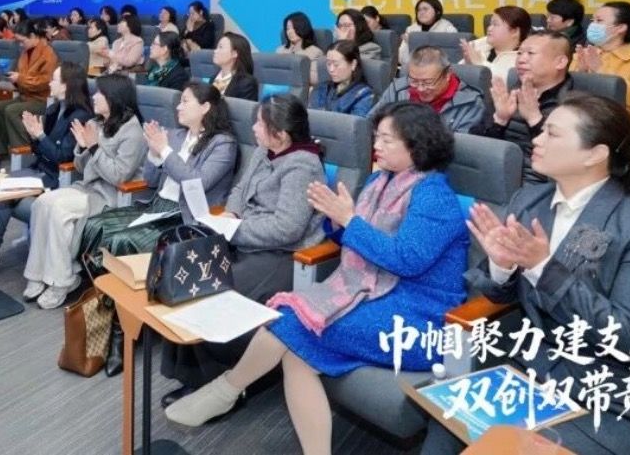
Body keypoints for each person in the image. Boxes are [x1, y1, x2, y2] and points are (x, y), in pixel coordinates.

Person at [167, 103, 467, 455]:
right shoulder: (380, 181)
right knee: (298, 354)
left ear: (417, 146)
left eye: (387, 140)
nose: (377, 146)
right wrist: (339, 223)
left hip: (418, 316)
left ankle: (226, 390)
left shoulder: (434, 196)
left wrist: (351, 221)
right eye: (377, 137)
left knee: (289, 323)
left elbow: (407, 259)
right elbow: (356, 241)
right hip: (373, 294)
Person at [423, 94, 630, 454]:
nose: (536, 139)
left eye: (552, 134)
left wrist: (542, 268)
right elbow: (504, 294)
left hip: (616, 398)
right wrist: (503, 266)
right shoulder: (530, 202)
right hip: (539, 372)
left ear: (594, 154)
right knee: (445, 423)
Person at [159, 94, 327, 401]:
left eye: (260, 124)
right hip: (246, 236)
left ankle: (229, 381)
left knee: (216, 290)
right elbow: (239, 188)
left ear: (281, 134)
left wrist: (235, 231)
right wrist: (231, 214)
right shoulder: (265, 151)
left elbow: (287, 229)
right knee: (192, 273)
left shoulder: (303, 165)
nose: (254, 129)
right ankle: (193, 374)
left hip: (283, 254)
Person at [77, 82, 238, 277]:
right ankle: (96, 284)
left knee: (122, 240)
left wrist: (165, 151)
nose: (178, 107)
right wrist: (154, 155)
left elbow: (196, 183)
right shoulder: (176, 136)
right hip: (157, 206)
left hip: (182, 214)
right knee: (95, 225)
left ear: (205, 107)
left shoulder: (223, 144)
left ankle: (118, 292)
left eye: (185, 102)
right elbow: (151, 181)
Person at [23, 73, 147, 309]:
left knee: (59, 211)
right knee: (43, 202)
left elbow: (119, 176)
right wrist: (81, 147)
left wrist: (93, 147)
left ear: (114, 97)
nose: (94, 97)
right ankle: (37, 274)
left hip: (112, 195)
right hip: (88, 187)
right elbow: (81, 167)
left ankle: (63, 281)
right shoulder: (96, 123)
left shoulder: (132, 132)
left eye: (100, 93)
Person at [0, 62, 93, 281]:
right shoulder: (53, 109)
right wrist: (34, 135)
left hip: (56, 178)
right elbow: (40, 150)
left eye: (54, 80)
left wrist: (41, 136)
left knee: (2, 195)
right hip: (39, 169)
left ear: (67, 85)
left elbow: (63, 157)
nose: (50, 83)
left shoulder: (80, 116)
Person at [473, 31, 577, 182]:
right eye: (520, 53)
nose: (521, 60)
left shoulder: (574, 105)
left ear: (560, 62)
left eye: (530, 53)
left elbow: (569, 162)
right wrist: (500, 120)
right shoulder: (508, 94)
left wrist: (535, 120)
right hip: (494, 175)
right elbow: (476, 147)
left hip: (538, 184)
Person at [371, 46, 488, 133]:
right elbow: (370, 123)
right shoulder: (397, 90)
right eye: (414, 81)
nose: (420, 88)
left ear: (447, 75)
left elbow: (461, 150)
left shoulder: (470, 104)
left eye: (428, 82)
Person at [573, 0, 630, 121]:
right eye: (593, 20)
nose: (593, 25)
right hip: (583, 119)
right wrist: (581, 72)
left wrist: (600, 69)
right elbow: (567, 95)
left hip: (621, 123)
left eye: (599, 21)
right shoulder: (585, 54)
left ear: (620, 28)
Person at [0, 20, 58, 154]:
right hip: (25, 96)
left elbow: (45, 82)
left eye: (22, 41)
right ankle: (1, 151)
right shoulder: (25, 52)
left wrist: (20, 79)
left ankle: (24, 152)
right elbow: (21, 75)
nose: (21, 45)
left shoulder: (48, 54)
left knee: (12, 110)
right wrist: (15, 79)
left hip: (42, 100)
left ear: (33, 36)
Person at [461, 6, 530, 80]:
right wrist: (467, 64)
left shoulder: (525, 58)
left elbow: (507, 81)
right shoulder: (479, 47)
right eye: (490, 24)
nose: (489, 28)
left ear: (514, 31)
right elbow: (456, 75)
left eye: (495, 24)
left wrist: (480, 63)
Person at [309, 40, 374, 117]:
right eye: (328, 64)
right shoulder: (322, 87)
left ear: (353, 64)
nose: (331, 69)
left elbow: (355, 123)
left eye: (336, 64)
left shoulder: (364, 94)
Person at [398, 0, 457, 67]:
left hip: (439, 69)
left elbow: (451, 58)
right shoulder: (411, 30)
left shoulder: (448, 29)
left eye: (425, 9)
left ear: (437, 11)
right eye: (419, 10)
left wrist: (416, 43)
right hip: (415, 68)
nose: (421, 12)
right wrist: (408, 44)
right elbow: (402, 60)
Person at [277, 11, 325, 84]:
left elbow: (314, 80)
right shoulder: (279, 50)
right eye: (288, 28)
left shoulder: (315, 52)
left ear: (303, 28)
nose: (290, 32)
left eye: (294, 28)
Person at [211, 32, 259, 100]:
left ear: (234, 53)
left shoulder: (246, 83)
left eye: (220, 47)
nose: (215, 51)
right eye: (216, 47)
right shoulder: (214, 78)